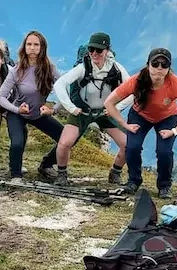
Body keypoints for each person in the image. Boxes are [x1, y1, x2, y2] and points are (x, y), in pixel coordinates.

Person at [104, 47, 177, 198]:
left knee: (164, 152)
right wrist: (124, 124)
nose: (159, 68)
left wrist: (174, 131)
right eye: (155, 64)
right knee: (132, 147)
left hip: (168, 117)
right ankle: (133, 181)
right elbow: (109, 103)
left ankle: (164, 186)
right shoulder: (136, 81)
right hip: (139, 115)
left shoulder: (175, 84)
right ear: (148, 65)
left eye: (164, 65)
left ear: (169, 68)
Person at [53, 32, 132, 187]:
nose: (94, 53)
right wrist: (71, 108)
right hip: (82, 111)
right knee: (64, 143)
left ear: (107, 50)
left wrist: (116, 108)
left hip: (104, 112)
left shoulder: (116, 68)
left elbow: (133, 90)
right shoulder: (83, 67)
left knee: (128, 145)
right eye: (91, 49)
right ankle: (61, 175)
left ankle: (115, 173)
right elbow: (59, 84)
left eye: (99, 50)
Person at [0, 31, 63, 180]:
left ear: (42, 47)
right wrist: (16, 109)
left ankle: (46, 165)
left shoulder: (50, 69)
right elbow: (0, 97)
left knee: (66, 138)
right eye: (29, 44)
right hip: (18, 113)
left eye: (36, 44)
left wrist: (53, 110)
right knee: (17, 143)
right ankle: (16, 175)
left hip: (39, 114)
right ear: (24, 47)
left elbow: (66, 91)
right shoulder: (16, 70)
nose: (32, 48)